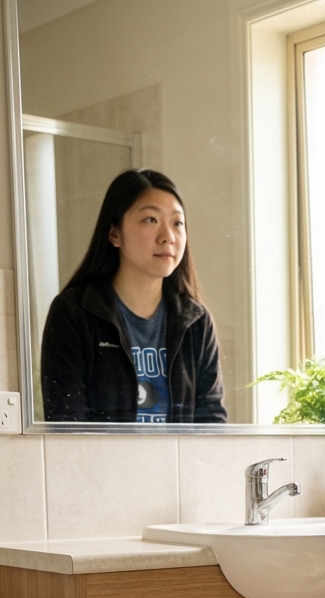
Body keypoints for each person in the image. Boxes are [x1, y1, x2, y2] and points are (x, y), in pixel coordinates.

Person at [40, 168, 226, 424]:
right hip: (100, 465)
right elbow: (66, 420)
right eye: (150, 219)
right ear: (114, 234)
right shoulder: (73, 312)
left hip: (180, 466)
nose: (168, 237)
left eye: (177, 223)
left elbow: (212, 420)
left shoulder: (195, 321)